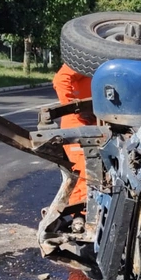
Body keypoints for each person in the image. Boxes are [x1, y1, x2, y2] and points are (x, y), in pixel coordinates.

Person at [52, 63, 96, 206]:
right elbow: (61, 79)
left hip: (98, 125)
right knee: (82, 174)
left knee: (99, 174)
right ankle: (81, 217)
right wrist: (74, 109)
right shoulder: (90, 58)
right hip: (78, 124)